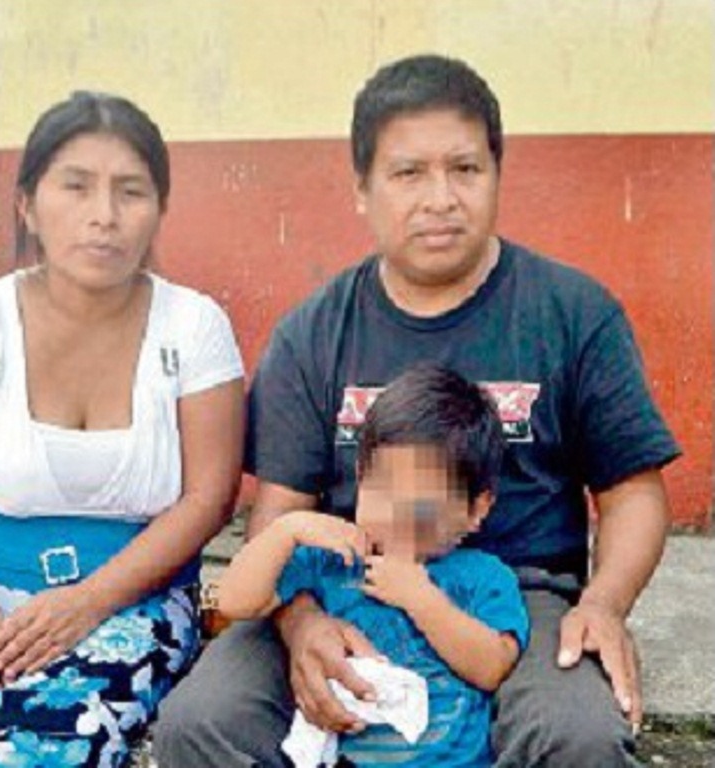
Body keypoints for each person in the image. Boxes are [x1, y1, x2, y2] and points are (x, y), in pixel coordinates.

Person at [154, 54, 680, 767]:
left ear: (496, 174)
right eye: (407, 173)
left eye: (464, 169)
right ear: (362, 189)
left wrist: (604, 606)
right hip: (344, 583)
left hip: (519, 596)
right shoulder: (313, 333)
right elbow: (279, 511)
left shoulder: (572, 312)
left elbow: (632, 493)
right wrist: (299, 622)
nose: (440, 198)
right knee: (202, 720)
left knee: (578, 735)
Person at [0, 91, 245, 767]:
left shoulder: (192, 326)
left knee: (44, 748)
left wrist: (86, 604)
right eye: (76, 186)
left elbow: (208, 498)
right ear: (28, 205)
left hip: (132, 605)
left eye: (131, 191)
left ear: (159, 210)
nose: (104, 215)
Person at [218, 365, 530, 766]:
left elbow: (492, 667)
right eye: (383, 490)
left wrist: (421, 598)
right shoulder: (335, 559)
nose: (398, 513)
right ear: (360, 479)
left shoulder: (482, 575)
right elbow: (235, 601)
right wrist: (286, 530)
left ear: (476, 509)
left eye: (423, 502)